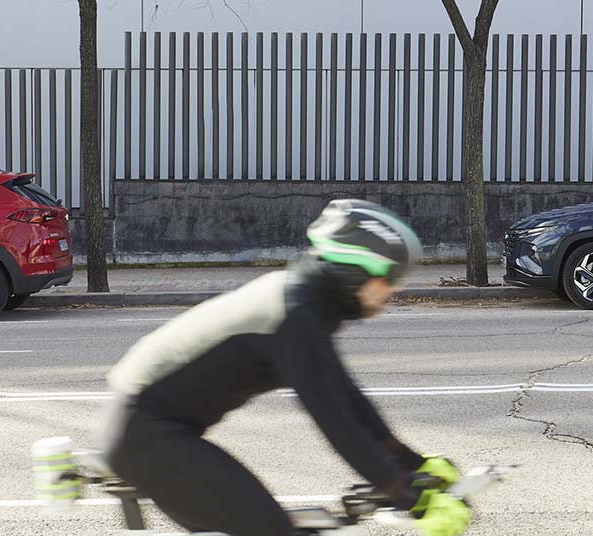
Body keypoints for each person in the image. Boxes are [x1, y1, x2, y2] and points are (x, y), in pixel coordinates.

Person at [100, 199, 472, 536]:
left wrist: (413, 463)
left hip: (155, 429)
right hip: (147, 434)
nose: (392, 293)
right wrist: (412, 498)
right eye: (390, 280)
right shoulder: (296, 315)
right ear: (357, 272)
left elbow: (348, 398)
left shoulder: (306, 302)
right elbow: (335, 422)